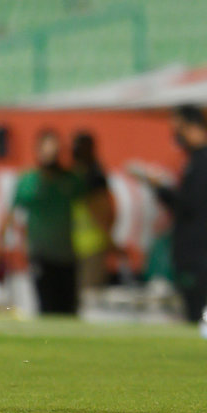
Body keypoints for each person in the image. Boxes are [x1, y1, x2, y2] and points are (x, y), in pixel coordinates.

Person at [142, 105, 207, 324]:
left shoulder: (206, 162)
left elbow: (190, 204)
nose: (176, 135)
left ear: (193, 127)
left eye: (179, 128)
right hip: (191, 247)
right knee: (190, 308)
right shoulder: (196, 160)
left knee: (198, 308)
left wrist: (161, 188)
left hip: (198, 249)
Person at [0, 130, 82, 315]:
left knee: (69, 307)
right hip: (40, 252)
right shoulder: (28, 181)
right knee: (47, 306)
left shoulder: (71, 180)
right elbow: (10, 214)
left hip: (67, 253)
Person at [70, 131, 115, 309]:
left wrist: (108, 237)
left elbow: (101, 208)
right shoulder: (78, 172)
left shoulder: (93, 175)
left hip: (91, 244)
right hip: (76, 244)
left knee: (88, 298)